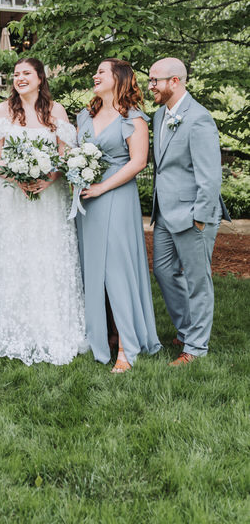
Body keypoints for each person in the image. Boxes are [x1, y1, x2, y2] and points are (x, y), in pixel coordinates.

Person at [0, 58, 87, 366]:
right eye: (16, 74)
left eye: (26, 73)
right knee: (14, 256)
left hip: (49, 196)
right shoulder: (3, 111)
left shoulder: (56, 112)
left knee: (47, 256)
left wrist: (47, 177)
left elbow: (65, 152)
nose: (20, 78)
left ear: (40, 78)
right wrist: (18, 176)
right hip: (11, 197)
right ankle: (10, 326)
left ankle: (51, 327)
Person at [76, 58, 161, 373]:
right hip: (87, 200)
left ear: (119, 78)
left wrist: (102, 187)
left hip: (116, 196)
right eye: (95, 71)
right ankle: (105, 335)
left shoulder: (133, 118)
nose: (95, 75)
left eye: (101, 71)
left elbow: (137, 162)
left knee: (117, 271)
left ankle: (127, 347)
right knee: (94, 269)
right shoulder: (85, 115)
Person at [149, 57, 230, 366]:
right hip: (165, 214)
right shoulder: (159, 116)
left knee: (197, 280)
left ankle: (195, 348)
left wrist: (200, 217)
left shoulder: (199, 118)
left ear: (175, 81)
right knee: (164, 271)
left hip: (193, 215)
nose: (151, 86)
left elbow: (210, 175)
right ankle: (186, 329)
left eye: (156, 80)